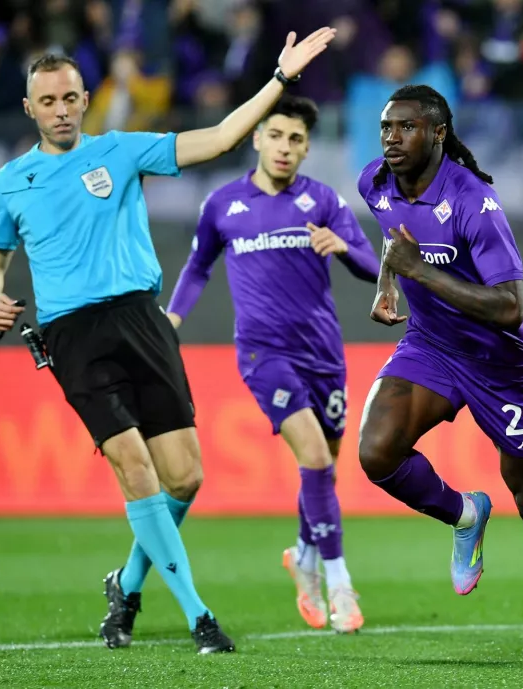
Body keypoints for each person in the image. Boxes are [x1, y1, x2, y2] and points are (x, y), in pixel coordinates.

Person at [0, 27, 336, 655]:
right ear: (29, 108)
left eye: (70, 98)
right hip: (73, 335)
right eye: (47, 102)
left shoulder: (121, 150)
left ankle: (127, 583)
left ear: (87, 99)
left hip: (143, 320)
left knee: (185, 478)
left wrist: (281, 80)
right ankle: (200, 616)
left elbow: (221, 138)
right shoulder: (11, 181)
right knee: (133, 467)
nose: (60, 110)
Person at [355, 84, 523, 668]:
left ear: (437, 134)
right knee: (376, 453)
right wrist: (389, 282)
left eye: (405, 127)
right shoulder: (375, 184)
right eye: (386, 127)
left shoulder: (472, 202)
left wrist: (417, 273)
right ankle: (464, 513)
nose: (391, 138)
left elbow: (510, 305)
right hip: (431, 346)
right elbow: (396, 241)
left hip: (500, 363)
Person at [164, 95, 379, 633]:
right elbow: (196, 268)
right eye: (276, 136)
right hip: (263, 353)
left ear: (307, 148)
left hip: (323, 352)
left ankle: (304, 555)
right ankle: (339, 582)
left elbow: (375, 266)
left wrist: (345, 249)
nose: (285, 147)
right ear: (256, 138)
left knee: (326, 459)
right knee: (311, 453)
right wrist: (172, 320)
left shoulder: (324, 202)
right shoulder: (223, 205)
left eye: (296, 140)